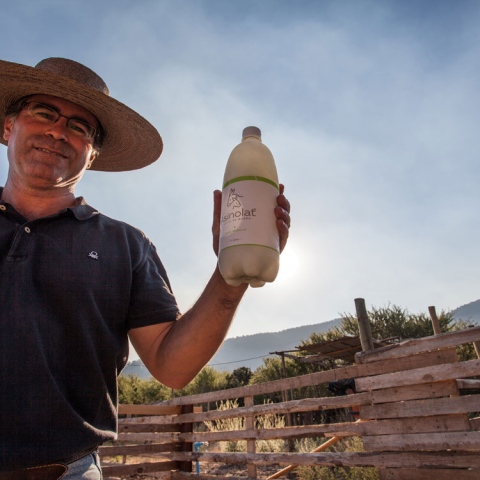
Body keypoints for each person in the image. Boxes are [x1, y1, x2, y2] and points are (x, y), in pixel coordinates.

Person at [0, 58, 290, 479]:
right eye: (44, 113)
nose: (58, 131)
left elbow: (172, 366)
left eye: (79, 127)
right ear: (8, 127)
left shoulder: (124, 245)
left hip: (66, 471)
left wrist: (232, 273)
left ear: (93, 154)